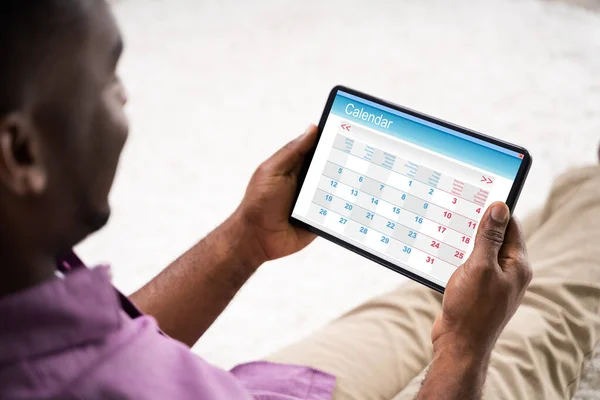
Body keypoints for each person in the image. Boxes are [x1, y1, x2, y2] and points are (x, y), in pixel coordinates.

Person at [0, 1, 598, 399]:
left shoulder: (22, 289)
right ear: (21, 153)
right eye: (107, 80)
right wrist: (466, 351)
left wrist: (242, 243)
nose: (124, 100)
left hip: (266, 387)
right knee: (542, 312)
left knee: (430, 298)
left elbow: (101, 338)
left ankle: (566, 205)